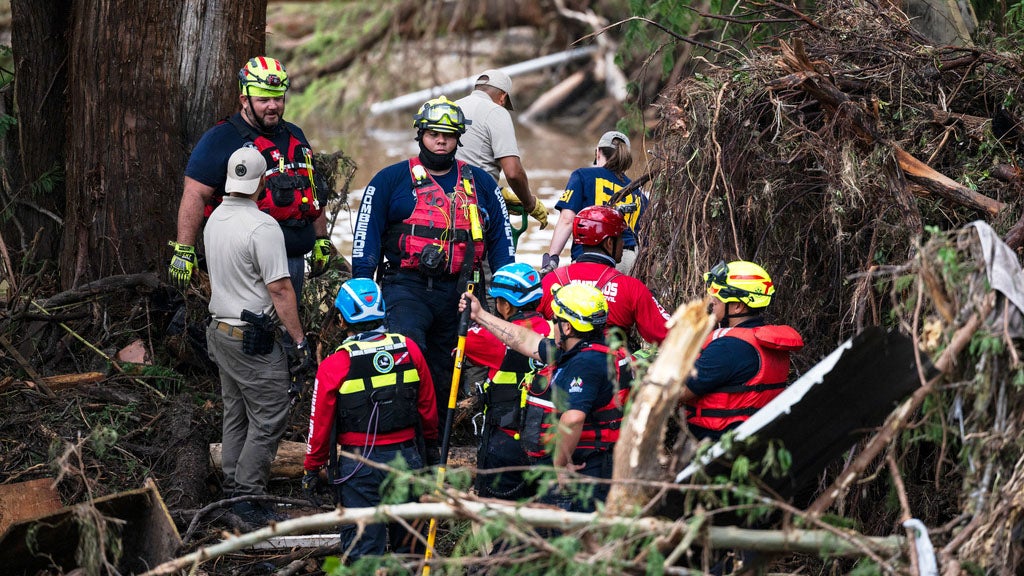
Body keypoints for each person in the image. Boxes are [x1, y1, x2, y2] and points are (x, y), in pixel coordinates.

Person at [351, 95, 515, 423]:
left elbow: (502, 243)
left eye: (448, 135)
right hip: (406, 288)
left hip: (459, 293)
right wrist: (362, 289)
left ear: (458, 138)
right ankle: (399, 431)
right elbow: (365, 238)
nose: (441, 141)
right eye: (433, 134)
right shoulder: (389, 181)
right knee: (408, 354)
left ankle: (436, 438)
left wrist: (508, 295)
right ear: (420, 135)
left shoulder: (480, 183)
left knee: (445, 370)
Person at [204, 147, 313, 527]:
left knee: (235, 413)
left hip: (219, 330)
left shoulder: (215, 218)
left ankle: (233, 488)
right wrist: (299, 341)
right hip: (250, 337)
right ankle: (247, 498)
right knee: (269, 415)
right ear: (263, 182)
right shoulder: (263, 227)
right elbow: (281, 290)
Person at [169, 56, 333, 301]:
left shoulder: (295, 134)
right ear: (244, 99)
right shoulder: (221, 138)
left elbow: (310, 189)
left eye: (278, 98)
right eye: (263, 99)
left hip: (293, 259)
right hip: (245, 265)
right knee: (253, 330)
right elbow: (195, 193)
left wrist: (322, 240)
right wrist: (184, 249)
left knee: (286, 332)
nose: (273, 106)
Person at [461, 283, 632, 512]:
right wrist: (480, 315)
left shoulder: (587, 362)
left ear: (568, 328)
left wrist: (559, 465)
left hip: (584, 467)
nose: (552, 326)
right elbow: (525, 340)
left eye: (556, 320)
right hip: (589, 463)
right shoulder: (587, 349)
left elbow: (572, 419)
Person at [302, 278, 439, 558]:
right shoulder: (409, 349)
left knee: (363, 550)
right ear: (383, 311)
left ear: (341, 320)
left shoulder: (334, 365)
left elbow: (320, 425)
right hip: (407, 459)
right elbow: (427, 407)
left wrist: (312, 469)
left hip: (358, 466)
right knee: (410, 546)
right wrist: (432, 451)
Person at [680, 260, 804, 441]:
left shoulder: (728, 348)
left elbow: (676, 392)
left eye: (719, 295)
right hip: (756, 442)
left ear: (738, 306)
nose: (712, 300)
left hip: (717, 449)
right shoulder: (765, 344)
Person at [464, 263, 551, 499]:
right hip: (546, 439)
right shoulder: (553, 332)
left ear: (506, 305)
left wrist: (470, 318)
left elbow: (458, 345)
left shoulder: (489, 337)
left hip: (506, 440)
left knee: (499, 521)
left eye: (497, 302)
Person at [538, 206, 671, 345]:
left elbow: (531, 326)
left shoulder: (551, 280)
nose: (623, 243)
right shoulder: (630, 287)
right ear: (609, 243)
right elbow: (669, 336)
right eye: (620, 238)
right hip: (609, 363)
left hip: (563, 362)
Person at [543, 130, 647, 275]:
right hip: (630, 261)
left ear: (598, 153)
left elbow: (567, 220)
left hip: (591, 259)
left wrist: (552, 259)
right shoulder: (638, 194)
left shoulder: (582, 176)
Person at [455, 69, 548, 228]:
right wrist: (529, 203)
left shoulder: (453, 106)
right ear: (503, 96)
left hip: (443, 196)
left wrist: (499, 191)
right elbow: (513, 172)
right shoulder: (496, 111)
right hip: (475, 202)